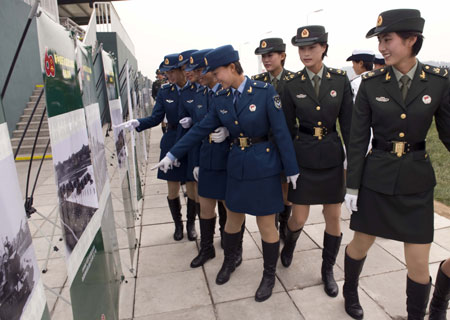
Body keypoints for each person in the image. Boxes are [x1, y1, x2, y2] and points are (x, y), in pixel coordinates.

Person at [154, 44, 299, 302]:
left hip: (263, 165)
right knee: (233, 219)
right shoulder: (221, 97)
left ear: (232, 67)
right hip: (237, 165)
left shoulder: (264, 92)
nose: (214, 78)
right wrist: (173, 154)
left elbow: (281, 132)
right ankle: (230, 261)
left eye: (217, 72)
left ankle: (268, 275)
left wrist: (291, 169)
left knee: (266, 224)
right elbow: (200, 129)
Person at [343, 9, 450, 320]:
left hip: (416, 183)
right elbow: (358, 139)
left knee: (418, 262)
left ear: (411, 40)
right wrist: (352, 187)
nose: (382, 48)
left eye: (387, 40)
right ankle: (351, 290)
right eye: (380, 41)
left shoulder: (437, 83)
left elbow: (448, 134)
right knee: (360, 244)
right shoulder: (371, 84)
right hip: (376, 179)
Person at [280, 25, 353, 298]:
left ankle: (328, 270)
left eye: (312, 47)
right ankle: (289, 244)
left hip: (332, 156)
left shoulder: (339, 80)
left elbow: (348, 125)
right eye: (301, 48)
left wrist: (352, 164)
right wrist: (288, 166)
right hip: (304, 157)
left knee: (333, 217)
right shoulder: (291, 83)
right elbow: (286, 130)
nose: (306, 53)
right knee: (298, 216)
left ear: (324, 47)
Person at [116, 53, 193, 241]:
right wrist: (138, 123)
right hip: (172, 138)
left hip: (191, 139)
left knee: (192, 187)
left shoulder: (195, 90)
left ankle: (191, 224)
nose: (170, 77)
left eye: (173, 72)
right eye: (167, 73)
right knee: (172, 187)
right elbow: (155, 117)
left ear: (183, 70)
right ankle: (178, 224)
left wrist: (193, 121)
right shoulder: (165, 92)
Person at [183, 49, 235, 268]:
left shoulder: (229, 93)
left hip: (227, 158)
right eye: (196, 70)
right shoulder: (200, 95)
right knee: (205, 207)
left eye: (202, 70)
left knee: (230, 209)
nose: (199, 74)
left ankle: (232, 249)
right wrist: (195, 162)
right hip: (206, 157)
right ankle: (207, 249)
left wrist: (228, 132)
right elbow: (196, 132)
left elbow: (244, 127)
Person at [252, 37, 294, 240]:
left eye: (270, 55)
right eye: (263, 56)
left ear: (282, 56)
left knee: (286, 193)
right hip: (265, 145)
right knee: (269, 191)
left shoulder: (294, 81)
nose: (266, 60)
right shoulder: (257, 82)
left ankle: (285, 226)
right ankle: (273, 228)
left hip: (287, 144)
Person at [177, 49, 200, 241]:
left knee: (213, 191)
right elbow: (180, 121)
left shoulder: (208, 87)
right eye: (184, 68)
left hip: (211, 142)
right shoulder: (185, 92)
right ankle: (191, 222)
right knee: (192, 186)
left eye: (190, 67)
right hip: (192, 144)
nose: (187, 71)